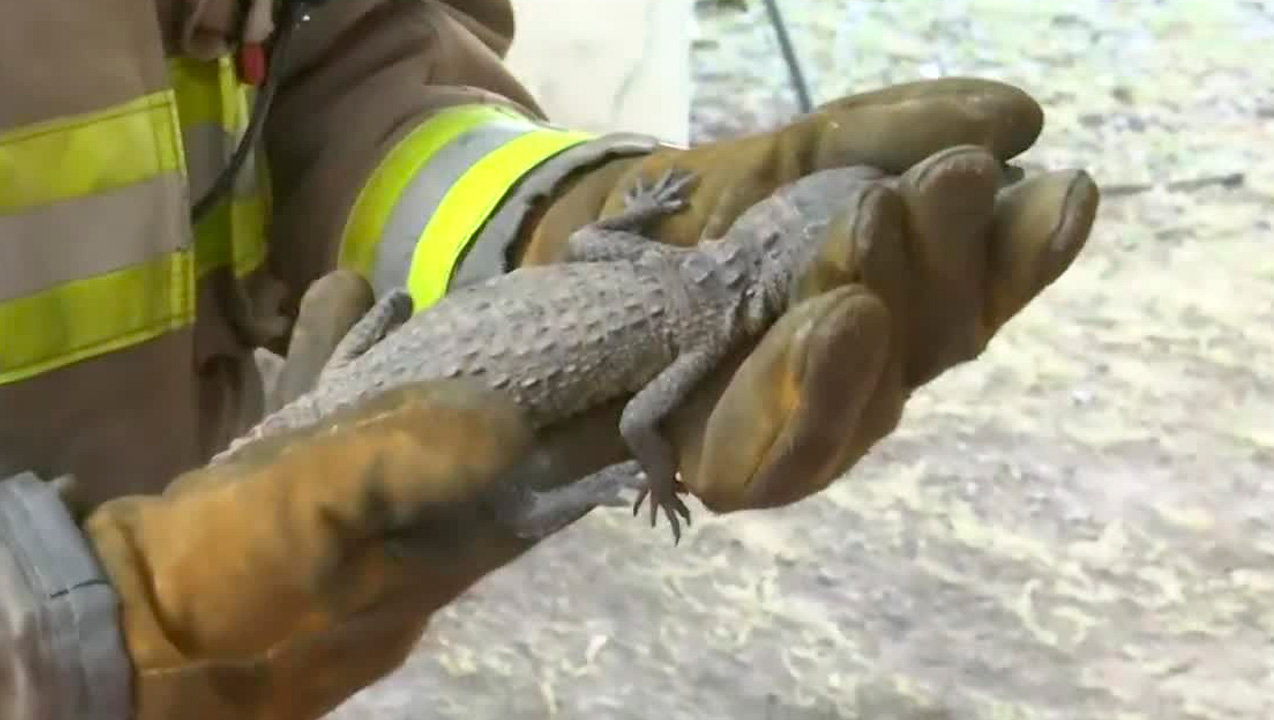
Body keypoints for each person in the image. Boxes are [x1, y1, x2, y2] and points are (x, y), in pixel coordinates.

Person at [0, 0, 1100, 718]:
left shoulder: (697, 313)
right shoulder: (700, 336)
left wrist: (550, 208)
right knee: (509, 486)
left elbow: (329, 58)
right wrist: (57, 632)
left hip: (305, 481)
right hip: (158, 592)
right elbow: (638, 423)